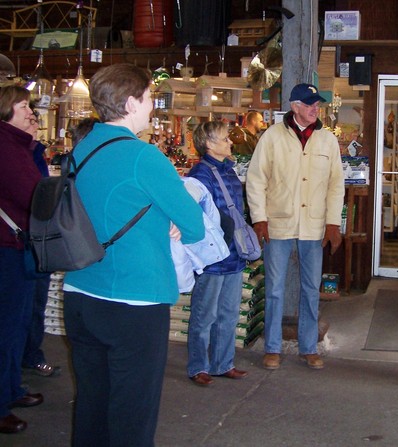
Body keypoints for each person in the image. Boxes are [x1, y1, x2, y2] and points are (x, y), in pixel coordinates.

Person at [62, 64, 205, 447]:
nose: (152, 107)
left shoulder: (81, 149)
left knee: (92, 402)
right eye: (148, 99)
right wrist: (171, 221)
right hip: (134, 301)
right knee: (132, 411)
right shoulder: (144, 156)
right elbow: (194, 225)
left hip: (79, 291)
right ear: (129, 103)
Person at [246, 83, 345, 371]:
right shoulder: (272, 137)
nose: (316, 108)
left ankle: (308, 347)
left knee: (311, 289)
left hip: (314, 227)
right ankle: (272, 347)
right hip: (278, 224)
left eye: (317, 103)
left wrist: (332, 223)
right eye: (309, 103)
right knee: (275, 288)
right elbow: (256, 180)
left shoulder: (327, 141)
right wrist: (259, 218)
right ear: (295, 106)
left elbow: (335, 185)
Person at [185, 120, 249, 385]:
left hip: (233, 253)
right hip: (213, 257)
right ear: (209, 144)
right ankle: (198, 366)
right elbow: (196, 214)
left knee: (229, 313)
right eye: (225, 139)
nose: (230, 142)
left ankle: (223, 363)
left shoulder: (229, 172)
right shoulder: (200, 174)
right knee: (205, 314)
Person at [0, 85, 45, 435]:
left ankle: (11, 389)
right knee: (7, 326)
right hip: (7, 250)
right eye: (23, 105)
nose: (30, 111)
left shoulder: (17, 146)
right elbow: (32, 195)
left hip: (15, 247)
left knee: (16, 324)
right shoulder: (6, 148)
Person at [21, 109, 61, 378]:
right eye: (28, 117)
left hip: (36, 238)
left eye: (35, 119)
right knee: (19, 306)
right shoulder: (13, 152)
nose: (34, 124)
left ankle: (31, 355)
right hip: (18, 238)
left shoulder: (34, 151)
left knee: (35, 301)